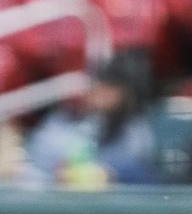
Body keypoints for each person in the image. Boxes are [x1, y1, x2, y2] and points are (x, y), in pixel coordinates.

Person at [25, 51, 161, 187]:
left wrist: (107, 173)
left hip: (111, 202)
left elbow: (138, 168)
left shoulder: (135, 129)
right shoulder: (61, 120)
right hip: (57, 198)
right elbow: (40, 162)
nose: (101, 94)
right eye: (99, 85)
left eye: (110, 89)